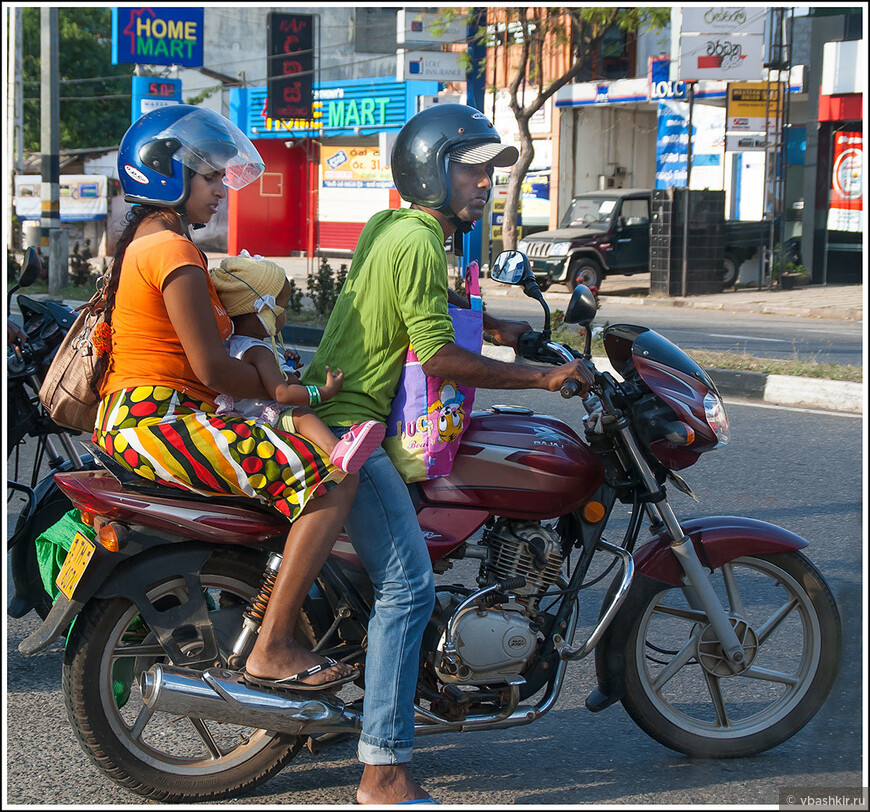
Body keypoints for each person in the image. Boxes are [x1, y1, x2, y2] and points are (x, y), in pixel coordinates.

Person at [302, 103, 595, 805]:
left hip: (346, 410)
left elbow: (414, 310)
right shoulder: (418, 241)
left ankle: (358, 710)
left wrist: (500, 328)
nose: (484, 185)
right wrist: (543, 377)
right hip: (355, 425)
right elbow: (435, 353)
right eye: (471, 170)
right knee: (410, 587)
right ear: (432, 172)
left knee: (406, 572)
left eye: (489, 173)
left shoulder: (392, 226)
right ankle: (385, 771)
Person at [91, 104, 358, 691]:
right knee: (331, 482)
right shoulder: (173, 253)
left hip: (141, 419)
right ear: (166, 173)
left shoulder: (147, 242)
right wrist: (283, 388)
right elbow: (212, 369)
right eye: (209, 178)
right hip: (157, 422)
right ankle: (274, 645)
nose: (220, 192)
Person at [209, 253, 385, 474]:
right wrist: (323, 392)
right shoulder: (259, 351)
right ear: (263, 312)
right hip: (262, 420)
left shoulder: (237, 343)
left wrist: (284, 363)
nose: (285, 314)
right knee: (303, 415)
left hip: (242, 416)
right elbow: (281, 393)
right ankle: (338, 450)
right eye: (281, 307)